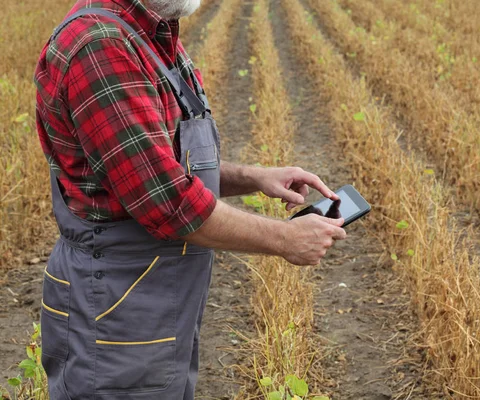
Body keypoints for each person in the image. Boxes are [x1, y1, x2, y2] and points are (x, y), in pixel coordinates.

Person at [34, 0, 346, 398]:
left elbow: (161, 161)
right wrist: (285, 239)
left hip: (154, 304)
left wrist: (255, 178)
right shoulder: (99, 46)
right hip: (114, 308)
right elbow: (168, 203)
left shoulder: (151, 33)